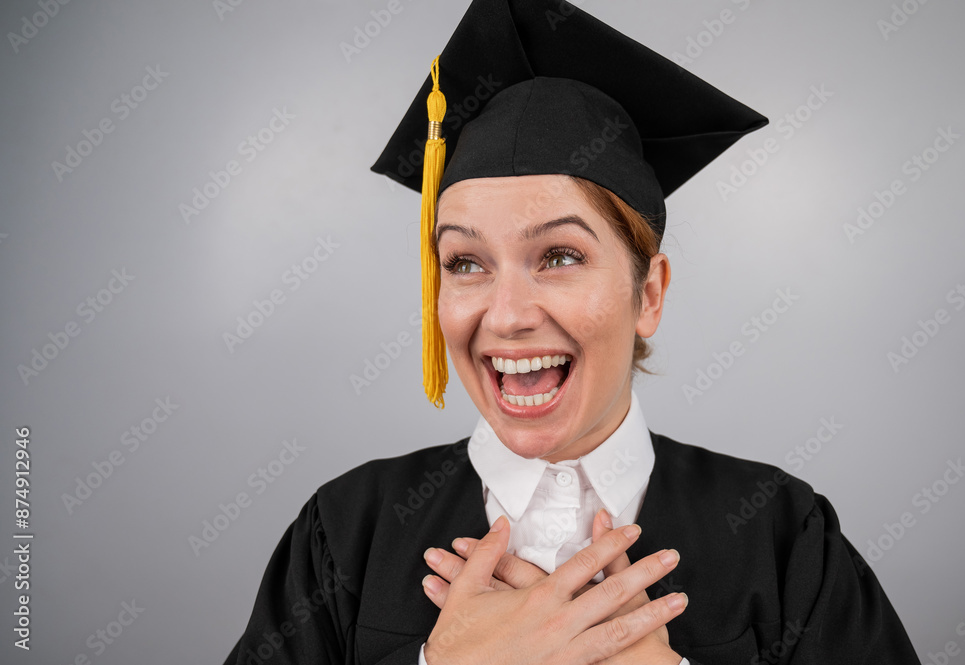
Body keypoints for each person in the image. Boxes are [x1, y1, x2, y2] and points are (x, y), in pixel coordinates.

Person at [223, 1, 921, 663]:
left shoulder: (783, 539)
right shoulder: (347, 533)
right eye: (465, 262)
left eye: (559, 256)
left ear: (647, 294)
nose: (505, 314)